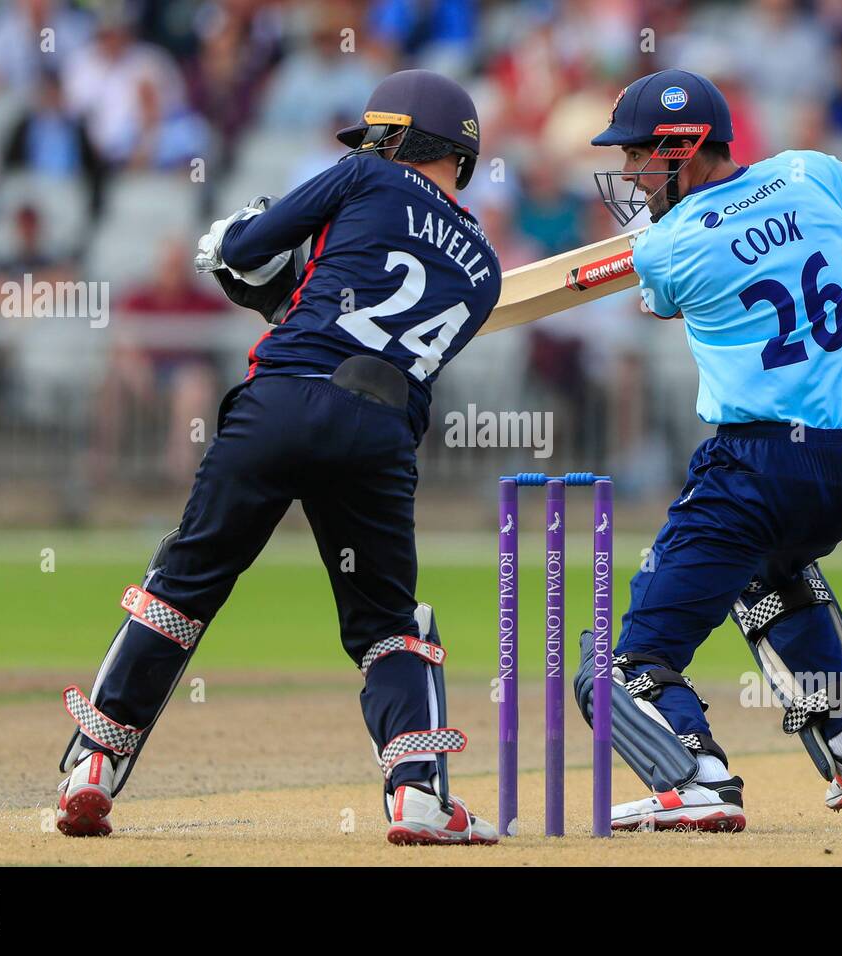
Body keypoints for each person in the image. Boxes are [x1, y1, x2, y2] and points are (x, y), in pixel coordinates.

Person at [56, 70, 502, 846]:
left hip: (285, 399)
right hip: (381, 432)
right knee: (388, 623)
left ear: (397, 139)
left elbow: (249, 252)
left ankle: (93, 767)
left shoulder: (363, 174)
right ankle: (418, 799)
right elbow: (364, 318)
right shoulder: (488, 268)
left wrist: (232, 245)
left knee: (185, 585)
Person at [577, 69, 842, 832]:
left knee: (624, 666)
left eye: (638, 157)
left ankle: (693, 776)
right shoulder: (807, 171)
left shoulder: (665, 248)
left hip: (756, 470)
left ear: (683, 149)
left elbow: (663, 305)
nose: (629, 174)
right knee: (771, 573)